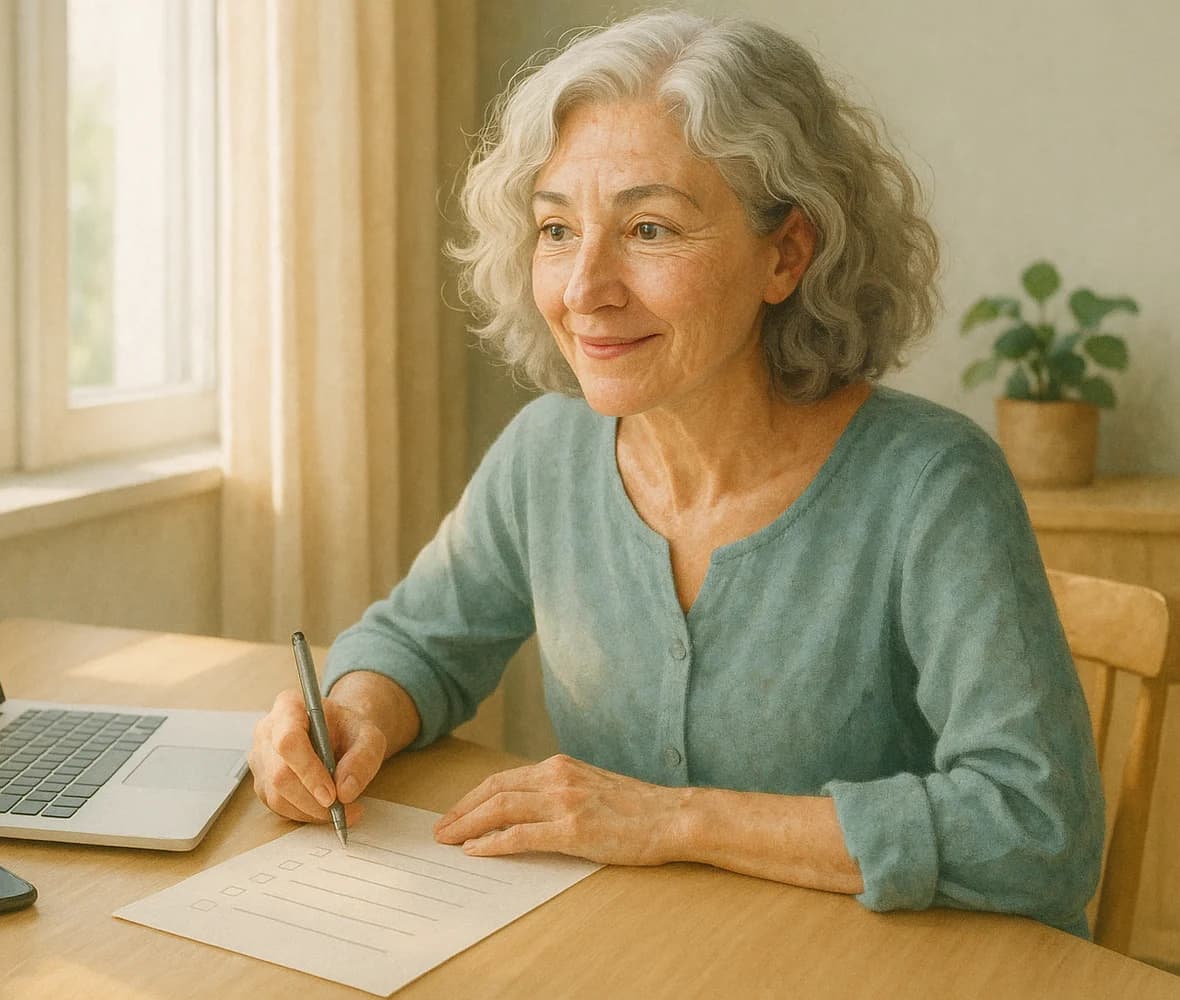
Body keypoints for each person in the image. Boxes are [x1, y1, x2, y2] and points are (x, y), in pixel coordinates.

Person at [246, 8, 1103, 936]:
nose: (584, 289)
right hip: (646, 959)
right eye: (557, 229)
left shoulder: (933, 484)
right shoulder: (547, 453)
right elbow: (420, 643)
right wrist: (352, 714)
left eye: (649, 229)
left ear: (787, 253)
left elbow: (1039, 831)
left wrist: (679, 820)